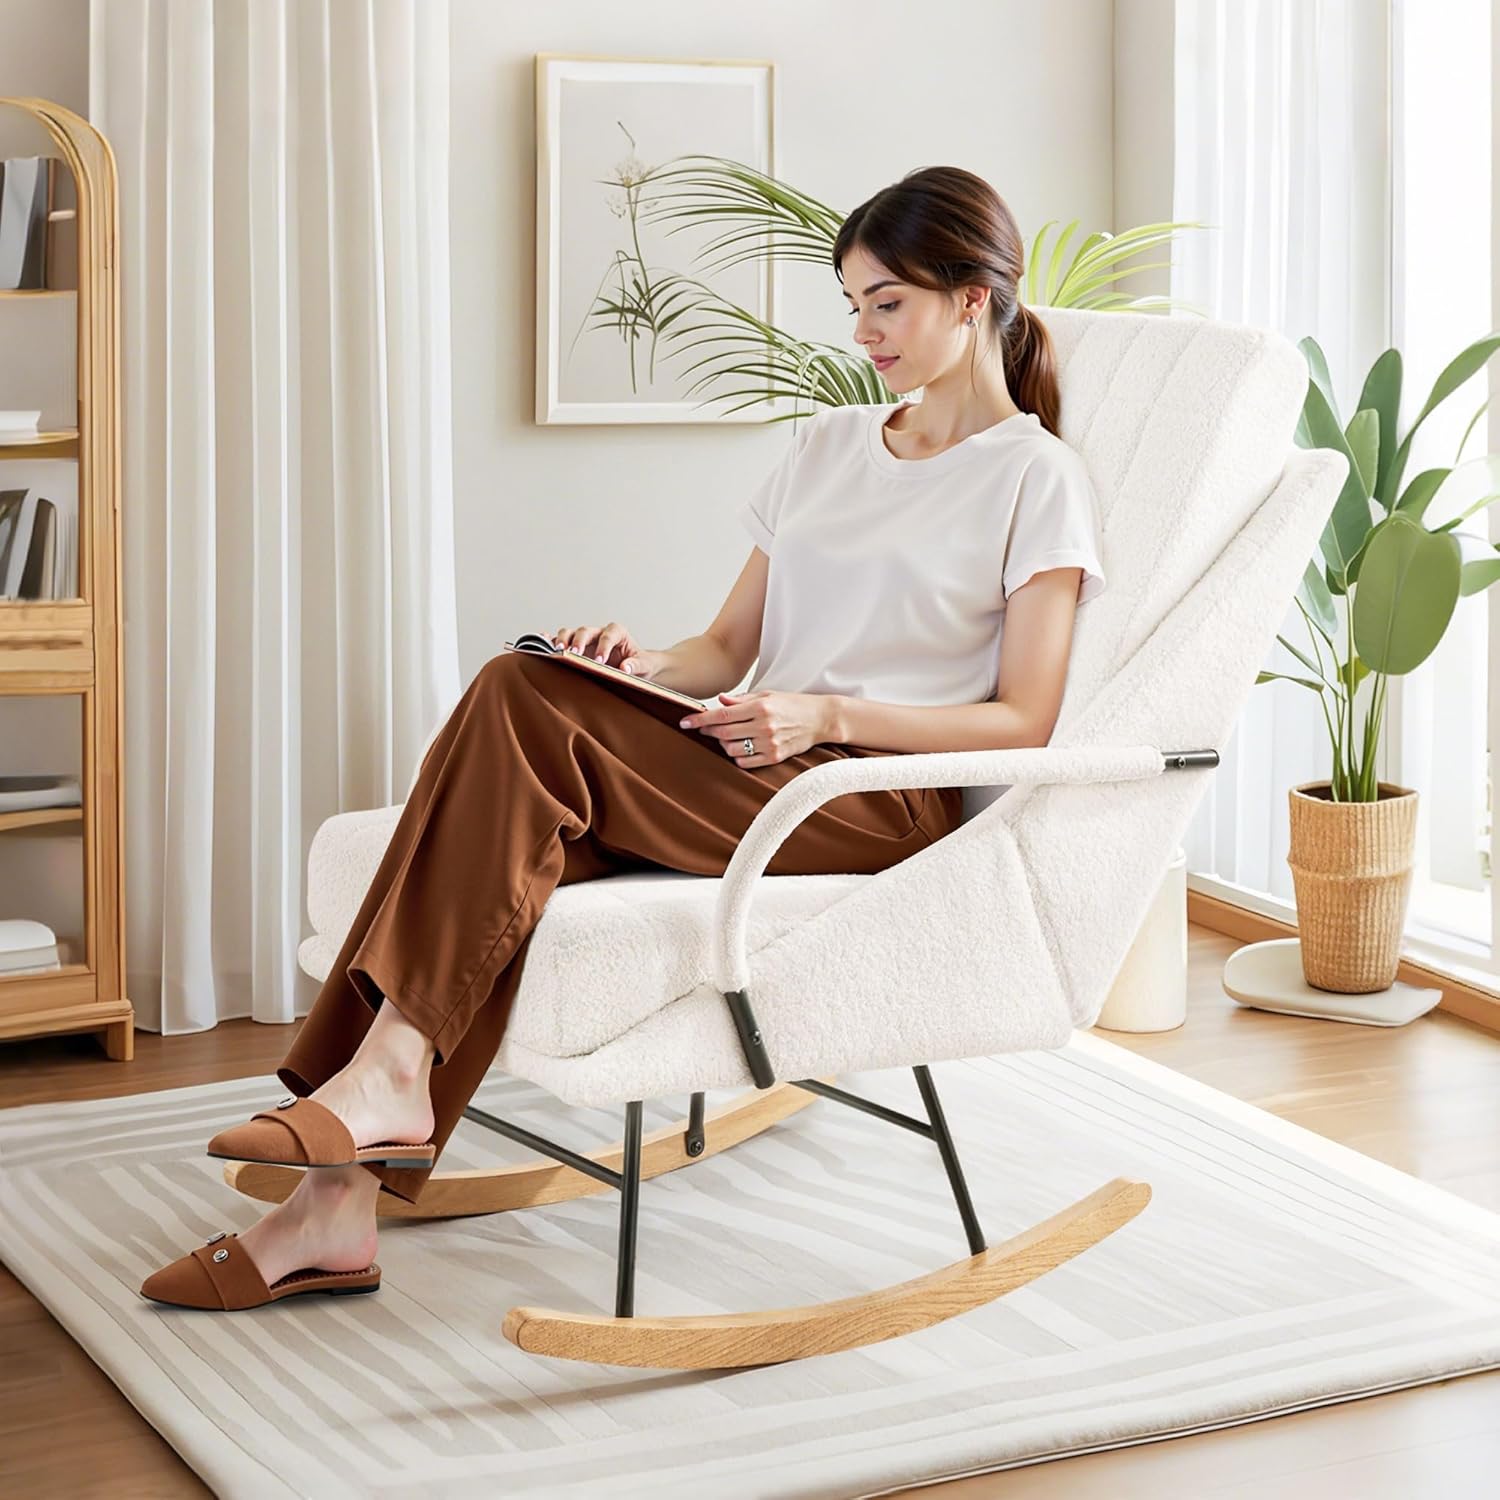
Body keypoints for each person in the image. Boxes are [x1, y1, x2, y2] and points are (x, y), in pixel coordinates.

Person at [139, 164, 1107, 1311]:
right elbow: (722, 648)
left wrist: (827, 715)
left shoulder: (1035, 478)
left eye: (886, 302)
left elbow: (1023, 721)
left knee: (514, 699)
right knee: (527, 747)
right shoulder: (831, 446)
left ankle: (377, 1096)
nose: (863, 331)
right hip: (753, 754)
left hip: (866, 798)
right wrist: (630, 666)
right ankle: (336, 1205)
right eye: (852, 302)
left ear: (972, 296)